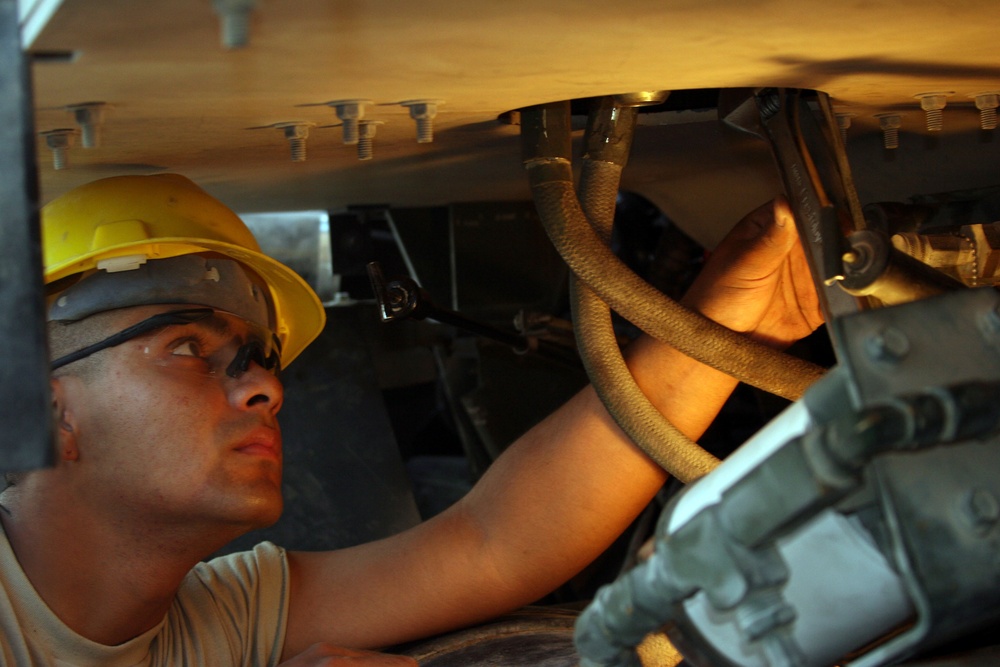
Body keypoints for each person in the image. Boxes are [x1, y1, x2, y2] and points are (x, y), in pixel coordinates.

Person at [0, 174, 822, 666]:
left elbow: (496, 542)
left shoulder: (222, 617)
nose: (266, 391)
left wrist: (718, 331)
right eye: (186, 347)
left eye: (262, 358)